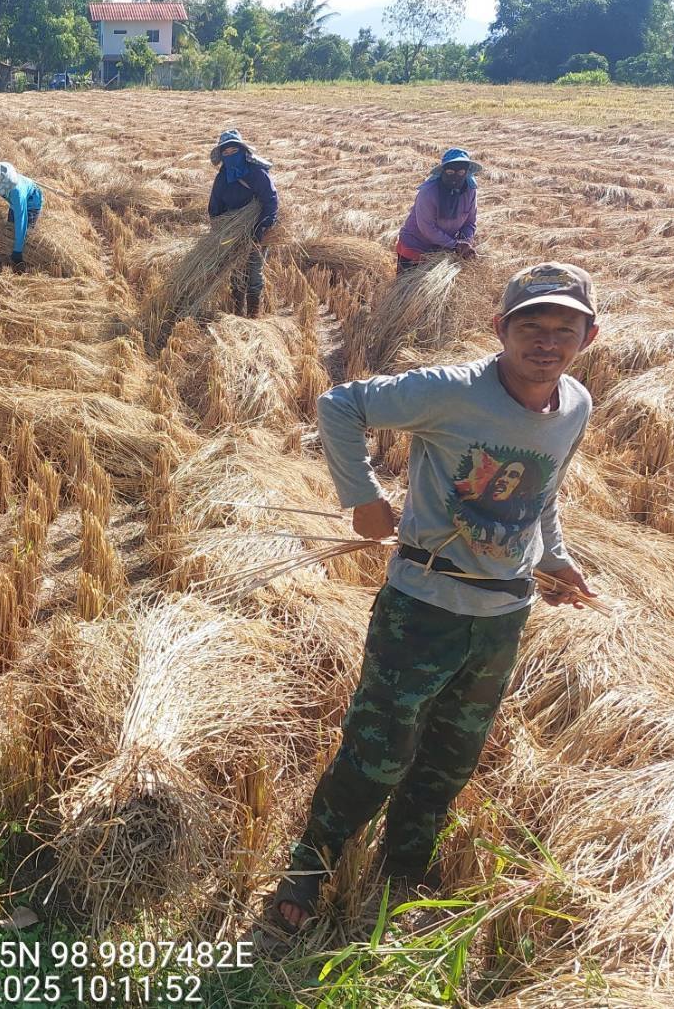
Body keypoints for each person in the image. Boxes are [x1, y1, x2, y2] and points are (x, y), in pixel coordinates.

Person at [262, 262, 601, 936]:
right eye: (529, 325)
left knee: (451, 755)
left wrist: (555, 561)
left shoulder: (576, 406)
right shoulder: (452, 392)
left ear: (587, 337)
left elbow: (542, 496)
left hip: (502, 616)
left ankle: (401, 865)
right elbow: (340, 407)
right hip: (421, 608)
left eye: (563, 329)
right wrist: (360, 498)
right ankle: (312, 862)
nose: (545, 341)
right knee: (378, 751)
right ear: (499, 328)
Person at [207, 129, 279, 317]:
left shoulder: (256, 173)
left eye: (234, 151)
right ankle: (238, 313)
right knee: (237, 272)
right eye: (226, 153)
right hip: (233, 232)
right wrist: (220, 229)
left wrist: (261, 228)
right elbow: (215, 206)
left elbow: (270, 200)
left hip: (257, 229)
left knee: (254, 271)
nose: (230, 156)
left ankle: (253, 315)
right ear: (222, 155)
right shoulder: (223, 177)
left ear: (242, 150)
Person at [396, 148, 480, 272]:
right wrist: (455, 245)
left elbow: (470, 222)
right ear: (443, 172)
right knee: (407, 288)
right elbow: (427, 228)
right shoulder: (428, 193)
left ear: (467, 173)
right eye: (450, 172)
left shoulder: (470, 192)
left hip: (443, 249)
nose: (455, 177)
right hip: (416, 247)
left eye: (461, 172)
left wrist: (465, 243)